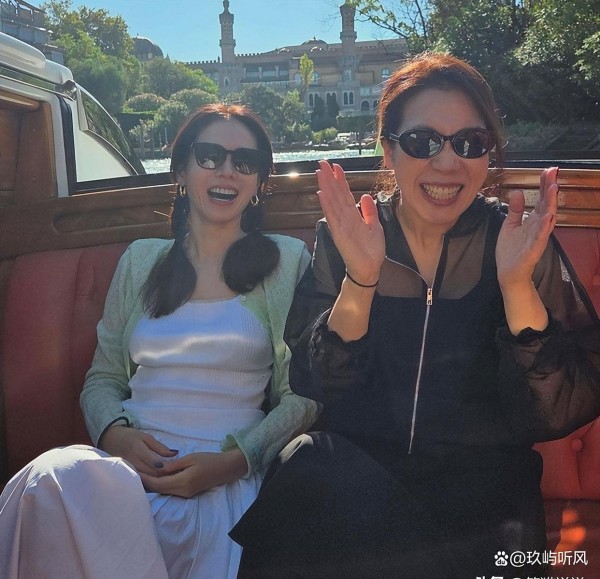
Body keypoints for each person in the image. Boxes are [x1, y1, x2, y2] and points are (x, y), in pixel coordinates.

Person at [231, 53, 600, 578]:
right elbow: (319, 383)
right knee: (307, 465)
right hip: (361, 481)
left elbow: (556, 412)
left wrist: (516, 285)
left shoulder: (516, 242)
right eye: (423, 141)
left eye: (470, 143)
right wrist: (362, 279)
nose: (447, 164)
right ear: (388, 149)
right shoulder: (352, 236)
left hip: (483, 501)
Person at [0, 103, 319, 579]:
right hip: (125, 472)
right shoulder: (141, 261)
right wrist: (115, 435)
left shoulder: (287, 261)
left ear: (258, 182)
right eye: (209, 155)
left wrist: (235, 462)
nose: (227, 170)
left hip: (224, 476)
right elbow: (103, 379)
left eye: (245, 161)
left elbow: (303, 396)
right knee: (49, 480)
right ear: (182, 170)